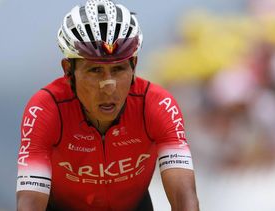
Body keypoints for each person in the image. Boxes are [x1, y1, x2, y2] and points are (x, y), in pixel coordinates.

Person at [16, 0, 199, 210]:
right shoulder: (46, 109)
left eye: (119, 69)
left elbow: (186, 201)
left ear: (134, 65)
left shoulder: (157, 104)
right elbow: (29, 204)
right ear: (68, 70)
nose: (108, 87)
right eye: (95, 71)